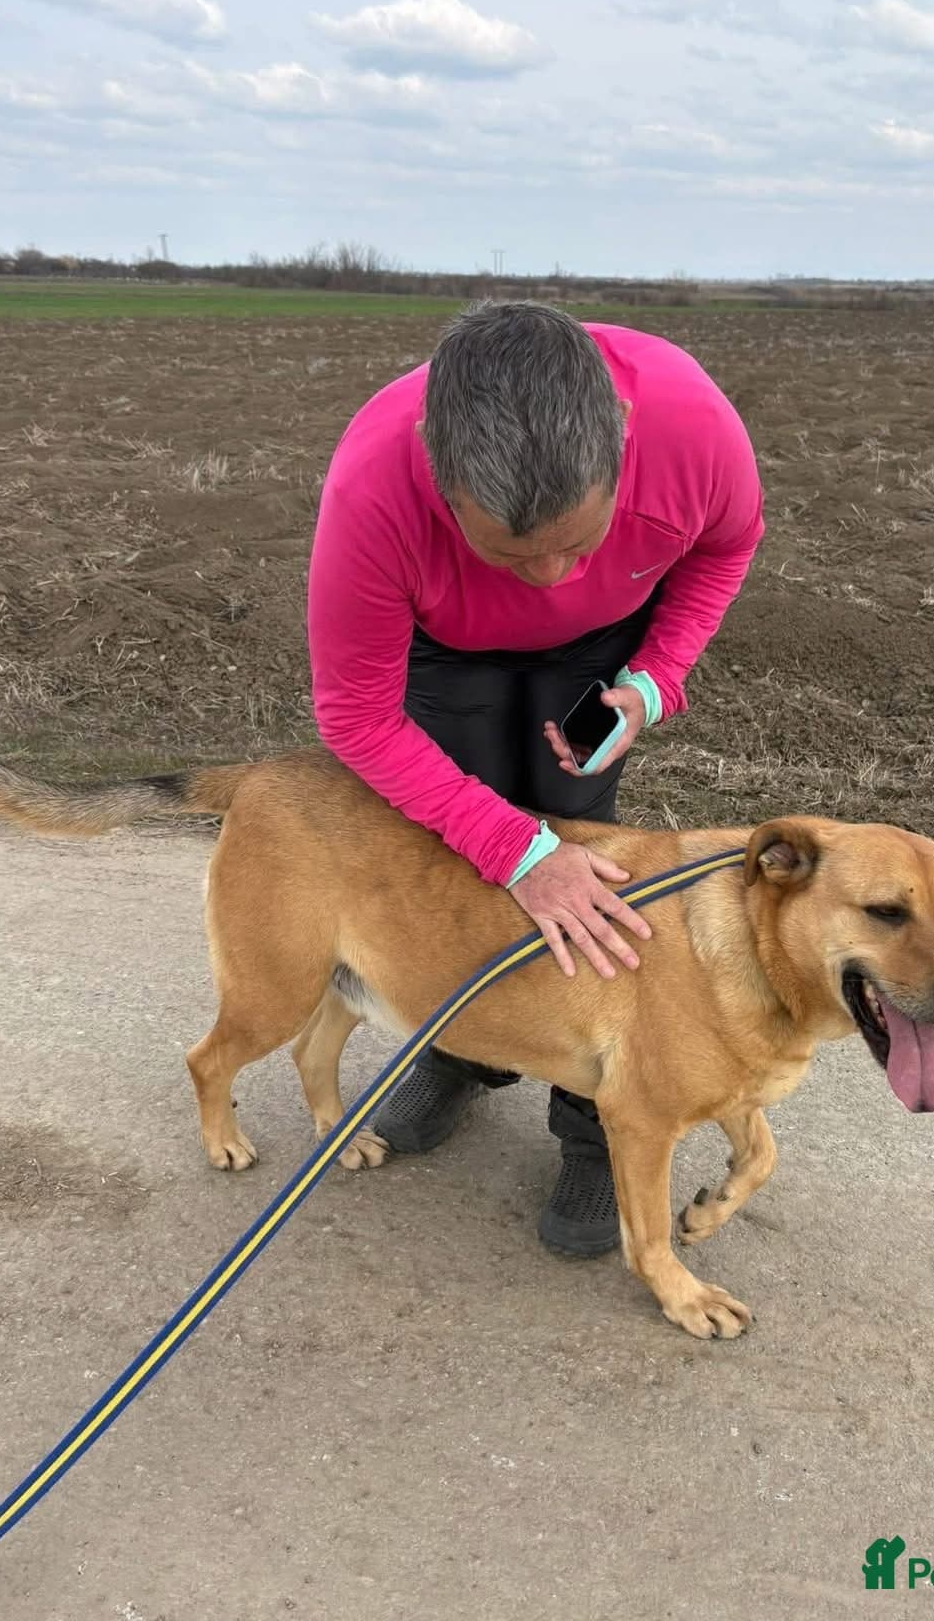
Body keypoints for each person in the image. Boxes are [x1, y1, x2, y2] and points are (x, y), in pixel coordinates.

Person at [307, 300, 764, 1256]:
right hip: (448, 648)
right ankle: (464, 1052)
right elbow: (356, 715)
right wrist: (514, 848)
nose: (552, 576)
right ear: (436, 472)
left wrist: (655, 678)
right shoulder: (373, 486)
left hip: (601, 648)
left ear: (624, 438)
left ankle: (595, 1124)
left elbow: (727, 546)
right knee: (460, 861)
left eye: (579, 542)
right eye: (513, 552)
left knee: (585, 861)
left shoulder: (692, 429)